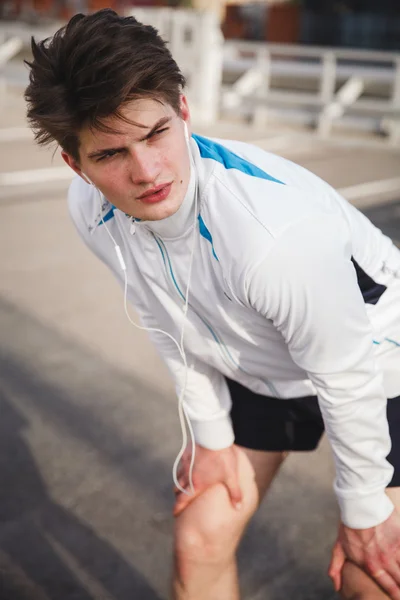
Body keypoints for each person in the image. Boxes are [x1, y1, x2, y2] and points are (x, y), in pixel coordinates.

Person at [24, 9, 400, 600]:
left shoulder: (271, 235)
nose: (147, 172)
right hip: (264, 362)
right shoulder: (88, 209)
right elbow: (160, 316)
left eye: (155, 134)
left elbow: (345, 372)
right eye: (110, 155)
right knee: (200, 538)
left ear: (184, 112)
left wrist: (363, 512)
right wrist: (211, 437)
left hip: (376, 359)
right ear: (76, 164)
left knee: (372, 576)